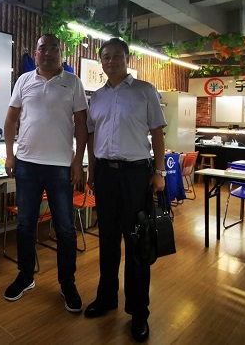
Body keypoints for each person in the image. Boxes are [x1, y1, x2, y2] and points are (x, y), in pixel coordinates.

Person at [84, 38, 166, 343]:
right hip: (105, 173)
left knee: (136, 243)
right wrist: (92, 168)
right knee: (107, 240)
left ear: (127, 59)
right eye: (106, 56)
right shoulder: (97, 97)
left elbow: (157, 133)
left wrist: (159, 171)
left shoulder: (145, 91)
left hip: (135, 174)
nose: (111, 61)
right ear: (101, 61)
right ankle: (106, 298)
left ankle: (138, 311)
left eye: (117, 55)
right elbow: (91, 134)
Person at [3, 33, 88, 313]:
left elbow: (81, 124)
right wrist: (10, 155)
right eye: (43, 48)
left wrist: (78, 161)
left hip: (60, 166)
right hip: (27, 164)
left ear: (61, 53)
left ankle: (67, 283)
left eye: (54, 48)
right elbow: (11, 119)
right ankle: (25, 276)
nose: (48, 52)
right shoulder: (24, 81)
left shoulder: (72, 82)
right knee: (25, 224)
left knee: (65, 228)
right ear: (36, 53)